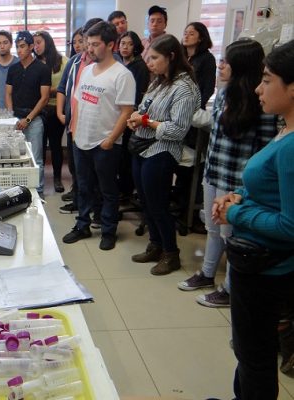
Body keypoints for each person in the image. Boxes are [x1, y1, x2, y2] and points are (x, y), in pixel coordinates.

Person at [213, 39, 294, 399]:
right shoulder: (283, 129)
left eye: (267, 79)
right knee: (247, 350)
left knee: (255, 355)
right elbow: (270, 191)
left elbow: (291, 225)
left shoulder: (292, 147)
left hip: (267, 270)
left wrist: (236, 211)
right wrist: (241, 196)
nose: (259, 88)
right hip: (255, 264)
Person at [177, 39, 277, 308]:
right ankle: (207, 274)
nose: (220, 66)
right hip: (214, 172)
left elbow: (266, 148)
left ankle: (230, 290)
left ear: (241, 66)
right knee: (212, 228)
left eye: (226, 62)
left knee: (231, 236)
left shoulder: (261, 102)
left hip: (237, 181)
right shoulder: (223, 93)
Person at [126, 34, 201, 275]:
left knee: (158, 205)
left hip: (162, 150)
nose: (150, 63)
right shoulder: (159, 81)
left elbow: (178, 129)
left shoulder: (185, 88)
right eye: (149, 58)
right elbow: (145, 108)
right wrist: (136, 118)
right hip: (143, 146)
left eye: (155, 58)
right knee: (146, 203)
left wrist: (146, 121)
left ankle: (171, 254)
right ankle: (155, 246)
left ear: (171, 57)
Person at [61, 21, 136, 251]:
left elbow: (126, 112)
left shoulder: (122, 75)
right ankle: (82, 225)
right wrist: (74, 132)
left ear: (111, 45)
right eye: (88, 44)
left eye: (94, 44)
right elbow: (79, 104)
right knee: (83, 187)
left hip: (105, 143)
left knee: (107, 190)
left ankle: (108, 230)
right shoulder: (86, 71)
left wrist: (111, 140)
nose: (88, 49)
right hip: (81, 139)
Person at [57, 18, 104, 213]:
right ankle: (79, 203)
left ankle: (97, 209)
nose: (85, 44)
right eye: (84, 39)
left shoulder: (107, 64)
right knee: (77, 168)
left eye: (90, 40)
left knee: (97, 173)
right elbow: (62, 88)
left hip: (96, 126)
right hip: (73, 122)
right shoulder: (75, 61)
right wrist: (60, 112)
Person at [5, 30, 51, 196]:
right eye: (17, 47)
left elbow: (44, 98)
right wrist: (11, 117)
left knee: (36, 158)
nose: (19, 50)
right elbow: (8, 93)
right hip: (16, 119)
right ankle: (19, 192)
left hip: (34, 119)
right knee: (16, 157)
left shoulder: (42, 69)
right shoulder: (13, 69)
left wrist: (28, 119)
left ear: (32, 47)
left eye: (23, 46)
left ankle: (37, 192)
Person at [117, 31, 150, 202]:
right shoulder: (117, 63)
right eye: (122, 43)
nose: (125, 47)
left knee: (126, 156)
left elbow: (138, 96)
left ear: (135, 46)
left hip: (131, 116)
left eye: (129, 44)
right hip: (117, 115)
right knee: (119, 156)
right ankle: (122, 188)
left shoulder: (140, 67)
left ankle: (126, 190)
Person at [33, 30, 68, 193]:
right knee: (39, 146)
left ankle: (57, 178)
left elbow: (67, 87)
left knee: (55, 146)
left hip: (56, 109)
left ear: (48, 42)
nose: (36, 46)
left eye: (39, 42)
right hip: (39, 110)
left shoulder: (63, 61)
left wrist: (49, 91)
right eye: (34, 43)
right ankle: (38, 179)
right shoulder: (34, 63)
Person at [182, 22, 216, 109]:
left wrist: (197, 106)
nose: (186, 36)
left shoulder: (207, 58)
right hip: (178, 103)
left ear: (200, 38)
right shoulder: (181, 56)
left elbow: (209, 88)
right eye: (185, 33)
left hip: (194, 107)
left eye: (191, 34)